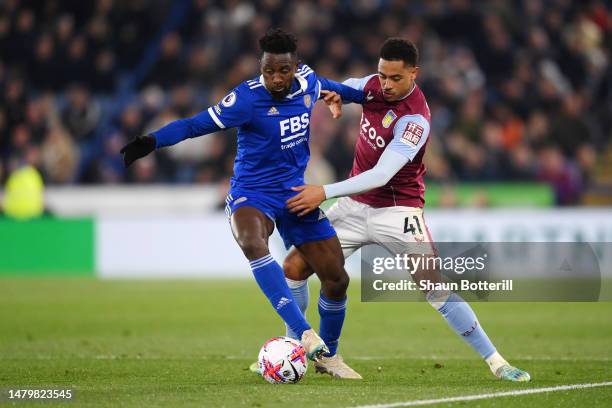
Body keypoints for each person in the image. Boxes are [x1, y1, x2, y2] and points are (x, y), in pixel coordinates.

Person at [281, 38, 531, 382]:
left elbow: (381, 175)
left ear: (414, 73)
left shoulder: (416, 120)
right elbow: (341, 86)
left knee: (435, 288)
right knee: (293, 266)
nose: (386, 84)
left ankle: (497, 361)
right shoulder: (373, 86)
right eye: (382, 75)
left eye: (395, 78)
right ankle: (290, 352)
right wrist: (329, 92)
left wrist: (323, 192)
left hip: (399, 213)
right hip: (354, 207)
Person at [120, 28, 364, 366]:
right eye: (268, 70)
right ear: (260, 67)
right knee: (253, 241)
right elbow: (194, 125)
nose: (275, 78)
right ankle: (303, 332)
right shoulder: (246, 99)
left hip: (295, 192)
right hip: (253, 193)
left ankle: (329, 356)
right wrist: (152, 141)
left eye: (283, 71)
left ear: (295, 67)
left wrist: (371, 99)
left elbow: (338, 88)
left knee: (337, 278)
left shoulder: (308, 82)